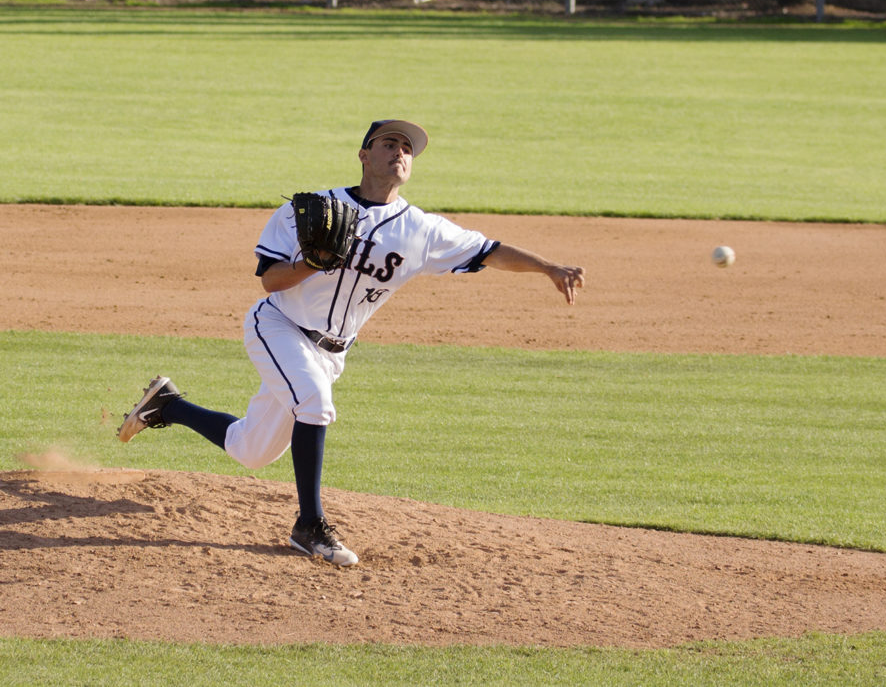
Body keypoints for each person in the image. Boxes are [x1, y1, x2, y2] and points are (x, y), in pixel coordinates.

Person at [117, 119, 585, 568]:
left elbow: (489, 251)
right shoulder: (312, 208)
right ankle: (310, 525)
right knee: (315, 406)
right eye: (388, 144)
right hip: (278, 326)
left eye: (407, 149)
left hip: (331, 351)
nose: (399, 153)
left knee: (251, 450)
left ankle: (169, 406)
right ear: (364, 154)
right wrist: (314, 264)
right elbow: (271, 281)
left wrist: (549, 267)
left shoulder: (422, 230)